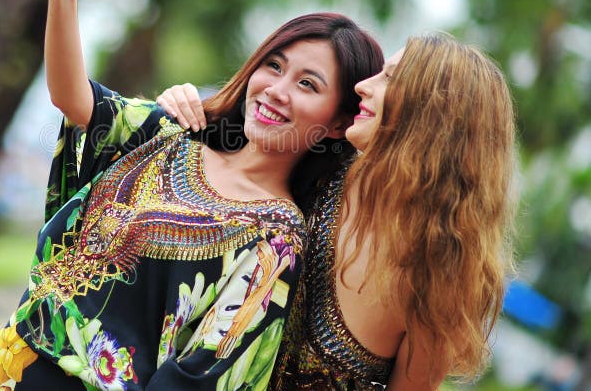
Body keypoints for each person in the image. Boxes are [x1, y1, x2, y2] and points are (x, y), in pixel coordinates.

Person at [0, 0, 384, 391]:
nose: (277, 91)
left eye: (308, 85)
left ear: (335, 124)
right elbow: (73, 98)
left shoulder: (276, 242)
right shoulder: (171, 134)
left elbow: (197, 379)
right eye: (274, 66)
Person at [159, 34, 517, 389]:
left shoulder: (438, 282)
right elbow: (230, 143)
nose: (363, 86)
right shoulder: (323, 161)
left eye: (389, 78)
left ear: (432, 113)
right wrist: (180, 104)